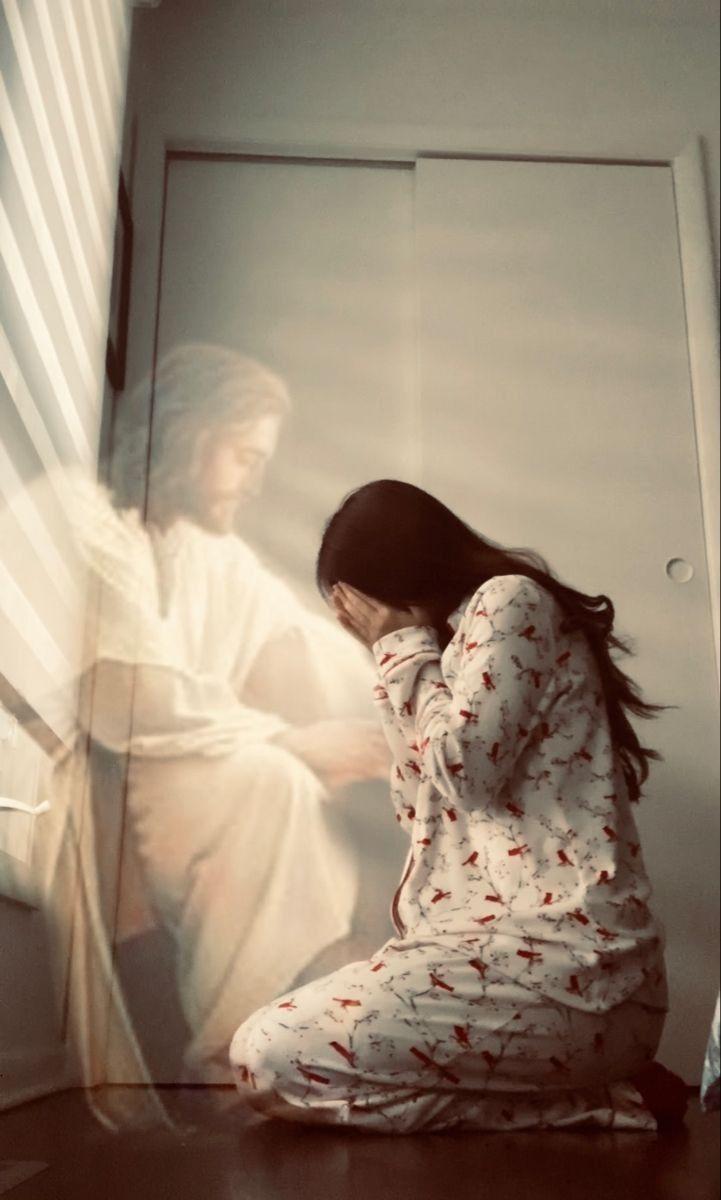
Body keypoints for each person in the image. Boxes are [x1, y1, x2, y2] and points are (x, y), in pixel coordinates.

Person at [229, 478, 688, 1133]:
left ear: (395, 582)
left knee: (271, 1056)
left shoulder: (510, 602)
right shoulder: (438, 657)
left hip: (578, 975)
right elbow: (418, 804)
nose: (357, 629)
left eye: (359, 610)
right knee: (264, 1064)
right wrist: (398, 667)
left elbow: (466, 772)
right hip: (479, 956)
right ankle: (596, 1100)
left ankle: (598, 1094)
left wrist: (398, 648)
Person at [65, 345, 391, 1083]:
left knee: (318, 791)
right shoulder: (96, 524)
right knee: (271, 781)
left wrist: (393, 709)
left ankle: (286, 1029)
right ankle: (229, 1050)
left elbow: (309, 639)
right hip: (132, 777)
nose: (254, 481)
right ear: (188, 435)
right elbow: (130, 696)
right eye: (244, 456)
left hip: (190, 772)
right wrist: (294, 740)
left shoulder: (215, 554)